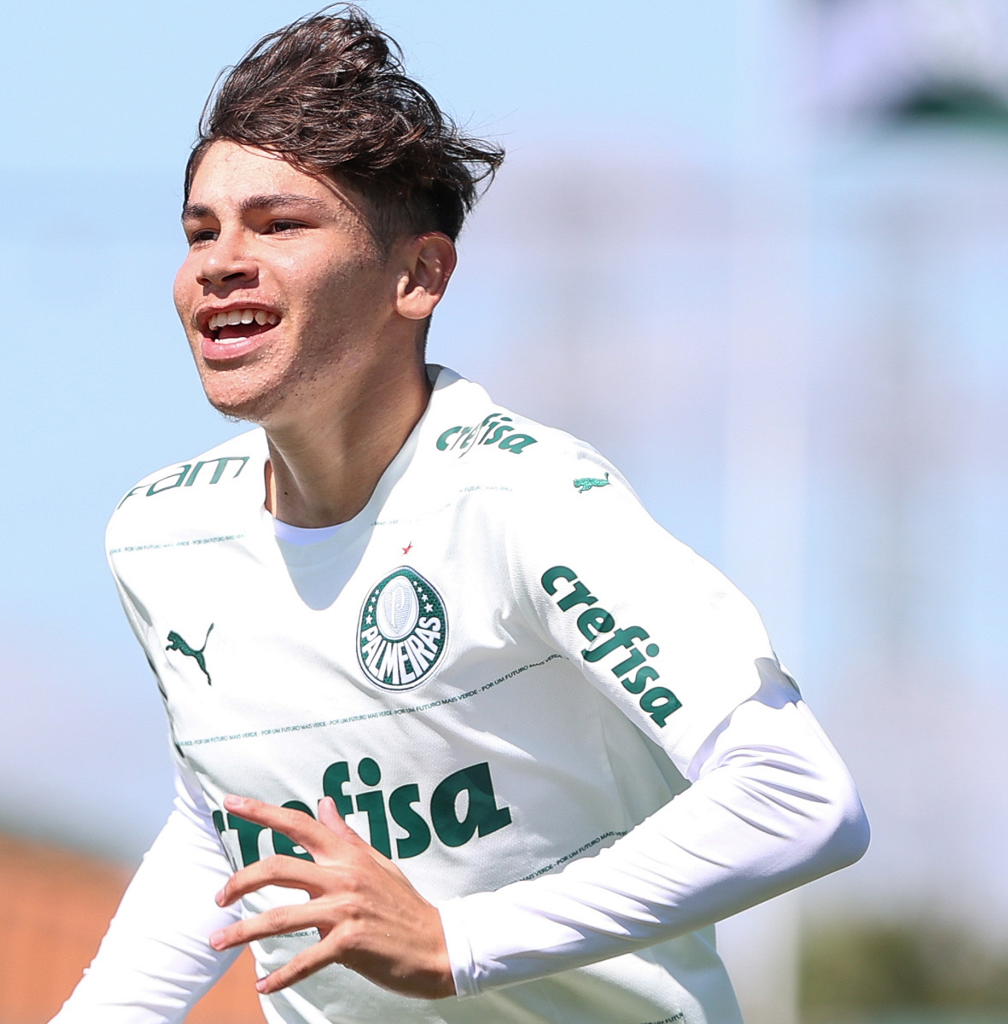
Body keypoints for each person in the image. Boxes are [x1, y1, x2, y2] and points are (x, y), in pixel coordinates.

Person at [52, 8, 869, 1024]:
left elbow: (796, 796)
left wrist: (455, 943)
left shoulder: (526, 502)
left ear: (419, 275)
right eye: (199, 231)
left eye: (279, 224)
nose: (220, 261)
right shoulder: (159, 538)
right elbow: (224, 817)